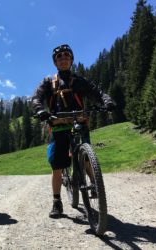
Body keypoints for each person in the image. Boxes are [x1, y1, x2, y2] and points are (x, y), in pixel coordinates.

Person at [31, 44, 115, 218]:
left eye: (66, 56)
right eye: (59, 57)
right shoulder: (48, 82)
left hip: (79, 122)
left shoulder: (78, 81)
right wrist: (40, 110)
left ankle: (94, 184)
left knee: (86, 158)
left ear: (71, 60)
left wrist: (107, 101)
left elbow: (96, 92)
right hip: (58, 124)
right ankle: (57, 202)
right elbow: (36, 98)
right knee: (57, 167)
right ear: (55, 62)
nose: (63, 59)